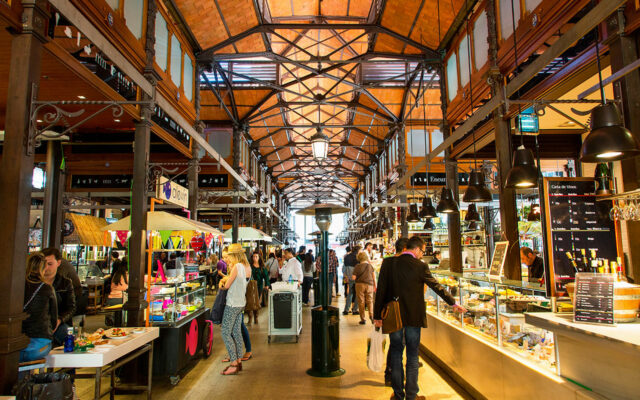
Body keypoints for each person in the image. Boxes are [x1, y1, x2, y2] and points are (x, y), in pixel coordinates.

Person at [374, 236, 467, 400]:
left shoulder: (388, 263)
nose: (422, 255)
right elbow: (436, 286)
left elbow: (381, 290)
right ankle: (411, 395)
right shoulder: (420, 266)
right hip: (413, 317)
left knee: (395, 353)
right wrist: (453, 303)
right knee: (412, 355)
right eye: (422, 251)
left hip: (393, 316)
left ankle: (397, 394)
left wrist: (377, 316)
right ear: (416, 249)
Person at [380, 237, 409, 386]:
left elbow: (381, 290)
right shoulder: (390, 263)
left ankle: (392, 375)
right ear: (404, 249)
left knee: (397, 343)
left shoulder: (388, 262)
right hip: (395, 310)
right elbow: (382, 289)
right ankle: (393, 376)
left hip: (392, 309)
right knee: (398, 343)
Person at [21, 252, 58, 362]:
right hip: (39, 346)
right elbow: (53, 320)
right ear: (44, 267)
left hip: (16, 345)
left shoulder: (17, 286)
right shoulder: (47, 289)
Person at [220, 244, 250, 375]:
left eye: (229, 256)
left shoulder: (237, 266)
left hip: (232, 304)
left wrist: (221, 283)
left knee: (225, 332)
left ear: (233, 256)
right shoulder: (244, 267)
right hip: (241, 304)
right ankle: (238, 361)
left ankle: (233, 362)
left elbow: (226, 286)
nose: (227, 259)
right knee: (236, 332)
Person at [42, 248, 76, 347]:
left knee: (68, 338)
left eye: (50, 264)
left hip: (59, 323)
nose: (46, 267)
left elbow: (71, 308)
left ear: (58, 263)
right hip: (39, 324)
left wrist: (59, 320)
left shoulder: (65, 283)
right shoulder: (34, 282)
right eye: (43, 263)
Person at [353, 251, 376, 325]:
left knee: (361, 302)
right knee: (370, 301)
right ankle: (371, 315)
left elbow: (353, 278)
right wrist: (375, 286)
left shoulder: (357, 266)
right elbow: (374, 277)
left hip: (359, 285)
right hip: (369, 285)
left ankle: (363, 319)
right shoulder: (370, 266)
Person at [248, 252, 269, 325]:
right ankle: (250, 318)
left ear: (259, 257)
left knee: (256, 302)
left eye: (256, 257)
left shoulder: (262, 267)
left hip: (259, 286)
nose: (255, 258)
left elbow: (266, 276)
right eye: (253, 257)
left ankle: (256, 317)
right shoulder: (250, 266)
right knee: (250, 301)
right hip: (250, 286)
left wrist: (267, 285)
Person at [342, 245, 360, 315]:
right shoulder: (358, 257)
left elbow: (344, 268)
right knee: (358, 294)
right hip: (357, 277)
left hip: (349, 277)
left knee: (350, 293)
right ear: (358, 251)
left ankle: (346, 310)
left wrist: (345, 276)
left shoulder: (347, 257)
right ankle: (355, 309)